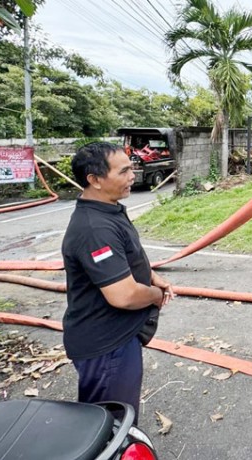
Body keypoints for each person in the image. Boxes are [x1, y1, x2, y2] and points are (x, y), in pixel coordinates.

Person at [62, 142, 175, 425]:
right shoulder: (94, 228)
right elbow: (123, 296)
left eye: (131, 168)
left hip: (117, 339)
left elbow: (129, 254)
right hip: (106, 347)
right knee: (110, 425)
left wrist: (152, 276)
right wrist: (154, 295)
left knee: (118, 417)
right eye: (123, 171)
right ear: (95, 180)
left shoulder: (109, 209)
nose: (133, 175)